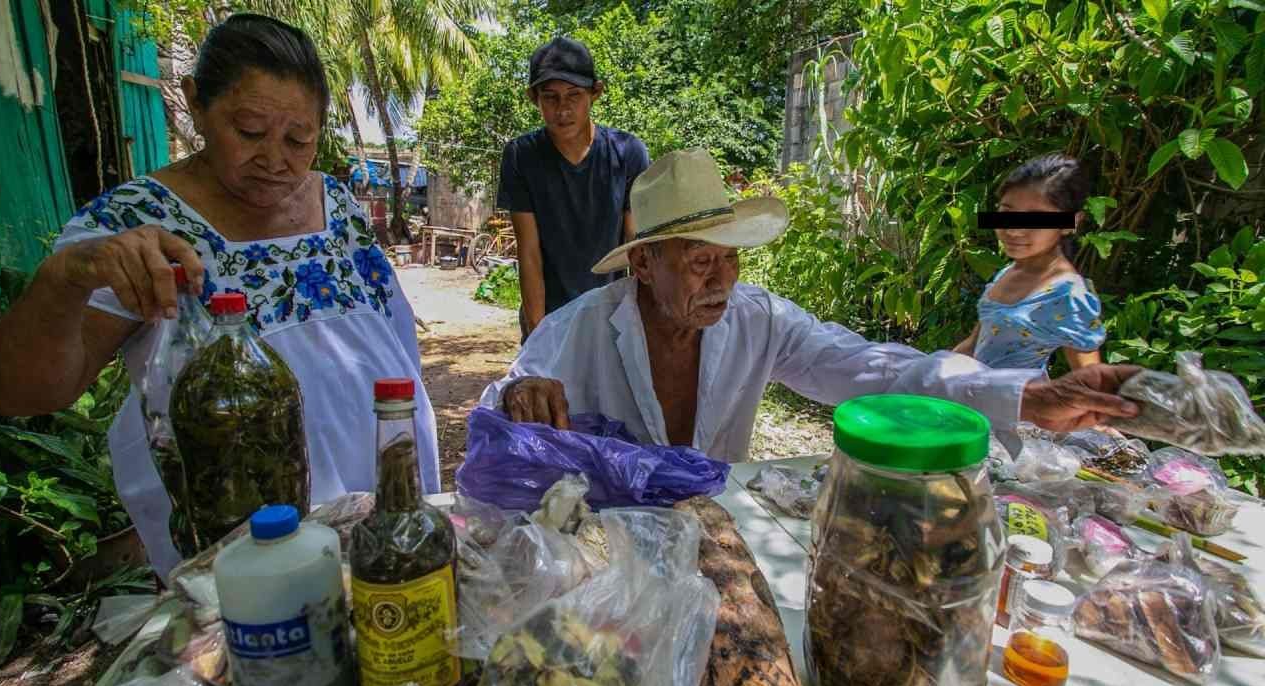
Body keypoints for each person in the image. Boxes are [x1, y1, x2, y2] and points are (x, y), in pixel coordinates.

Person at [0, 14, 439, 576]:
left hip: (385, 502)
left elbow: (390, 342)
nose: (276, 160)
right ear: (196, 103)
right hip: (244, 537)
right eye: (248, 131)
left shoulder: (338, 205)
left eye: (300, 138)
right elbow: (19, 392)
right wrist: (64, 278)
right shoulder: (135, 223)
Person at [480, 149, 1139, 461]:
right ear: (646, 264)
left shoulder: (758, 318)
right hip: (612, 547)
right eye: (702, 260)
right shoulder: (585, 326)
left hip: (721, 532)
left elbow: (878, 368)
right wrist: (518, 397)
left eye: (732, 257)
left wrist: (1024, 396)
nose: (722, 280)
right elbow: (509, 395)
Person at [497, 36, 650, 341]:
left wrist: (643, 326)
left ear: (595, 93)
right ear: (534, 98)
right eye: (550, 97)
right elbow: (529, 253)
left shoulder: (628, 152)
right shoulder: (521, 156)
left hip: (613, 317)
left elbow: (636, 246)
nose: (562, 109)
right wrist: (540, 337)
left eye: (574, 95)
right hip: (549, 316)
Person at [954, 154, 1105, 371]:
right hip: (973, 399)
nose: (1014, 230)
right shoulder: (1009, 270)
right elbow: (972, 346)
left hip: (1014, 403)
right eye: (1007, 212)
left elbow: (1091, 382)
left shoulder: (1067, 295)